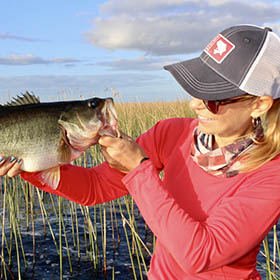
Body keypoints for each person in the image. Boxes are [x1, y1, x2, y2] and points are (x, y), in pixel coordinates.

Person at [2, 24, 280, 279]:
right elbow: (95, 187)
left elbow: (200, 254)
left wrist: (139, 169)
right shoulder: (172, 134)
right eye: (195, 88)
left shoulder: (271, 175)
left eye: (213, 98)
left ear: (259, 105)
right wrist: (32, 165)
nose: (195, 104)